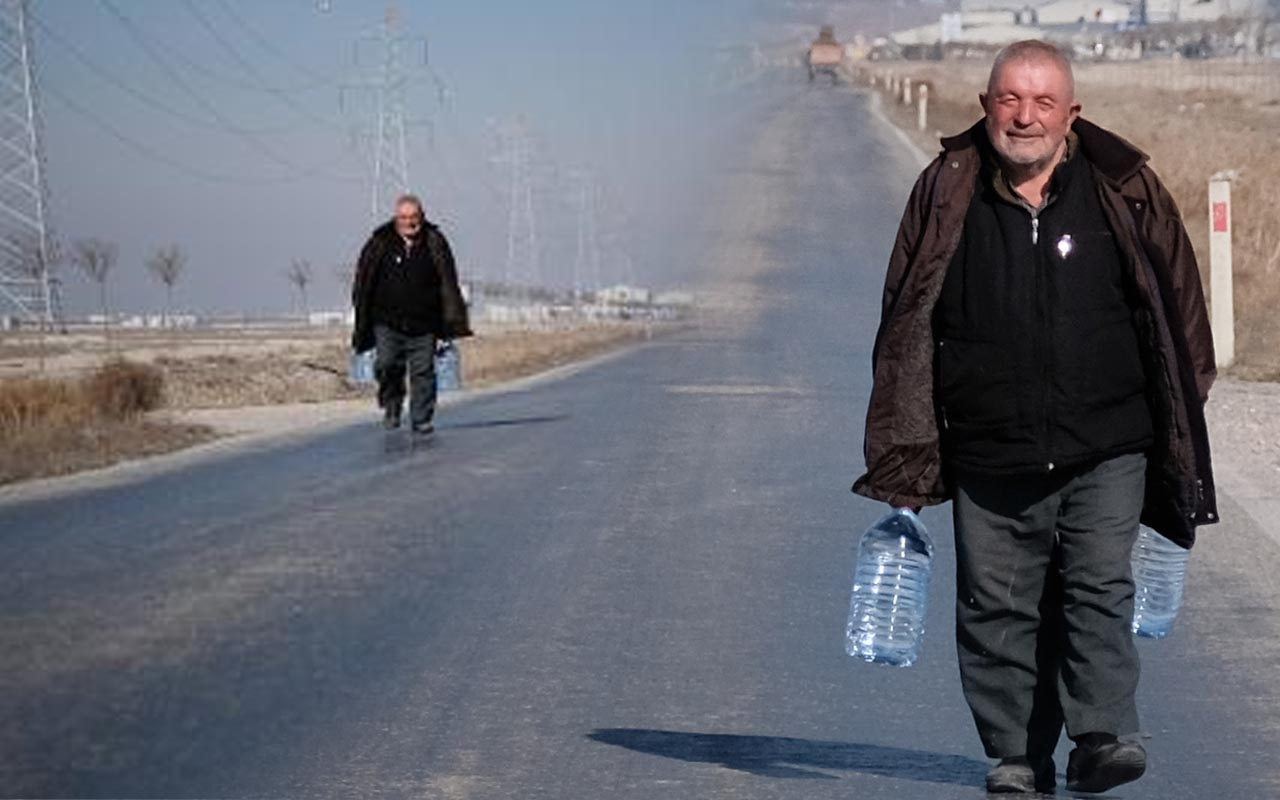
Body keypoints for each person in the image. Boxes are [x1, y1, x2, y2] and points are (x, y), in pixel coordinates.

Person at [853, 41, 1217, 795]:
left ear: (1071, 113)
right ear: (986, 107)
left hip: (1109, 441)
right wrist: (903, 452)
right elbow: (906, 321)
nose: (1025, 117)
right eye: (1009, 100)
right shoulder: (947, 190)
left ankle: (1103, 734)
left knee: (1096, 588)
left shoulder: (1124, 188)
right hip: (989, 444)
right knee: (997, 607)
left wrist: (1185, 407)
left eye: (1042, 101)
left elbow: (1179, 308)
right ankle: (1016, 756)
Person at [352, 194, 473, 436]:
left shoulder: (434, 241)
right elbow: (363, 280)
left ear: (422, 217)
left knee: (423, 372)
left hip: (425, 322)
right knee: (387, 364)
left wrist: (449, 320)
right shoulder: (380, 242)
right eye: (404, 218)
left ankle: (421, 419)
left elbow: (448, 281)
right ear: (396, 219)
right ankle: (392, 404)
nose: (409, 222)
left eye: (414, 217)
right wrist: (362, 313)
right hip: (386, 321)